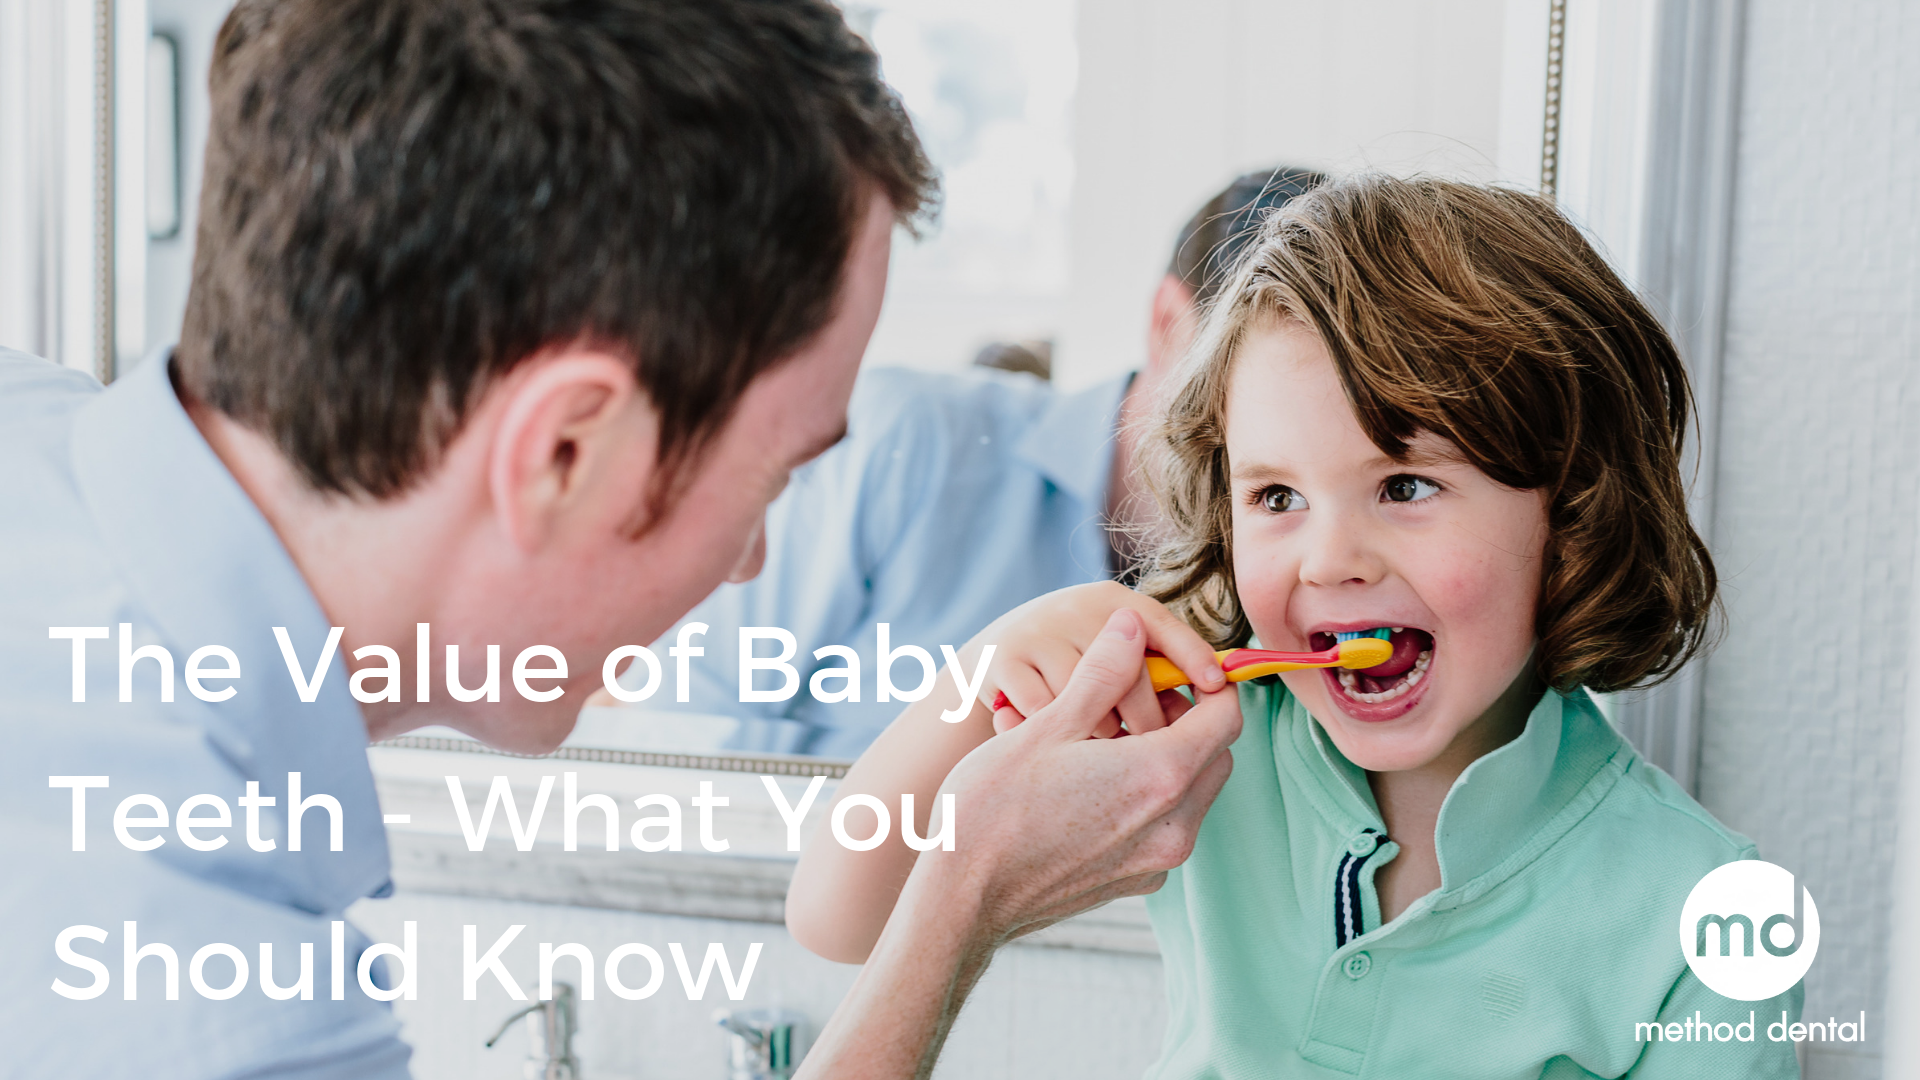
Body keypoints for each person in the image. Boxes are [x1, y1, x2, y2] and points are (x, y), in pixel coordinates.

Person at [5, 2, 1236, 1076]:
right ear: (564, 454)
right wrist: (961, 898)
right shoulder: (200, 986)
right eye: (771, 480)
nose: (753, 559)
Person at [787, 174, 1803, 1077]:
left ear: (1572, 515)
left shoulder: (1705, 914)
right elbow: (839, 915)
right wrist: (997, 657)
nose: (1328, 559)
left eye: (1404, 484)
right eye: (1275, 497)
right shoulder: (1210, 750)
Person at [628, 168, 1323, 757]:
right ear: (1170, 324)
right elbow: (685, 718)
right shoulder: (908, 441)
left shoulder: (1302, 587)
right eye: (1243, 374)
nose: (1276, 431)